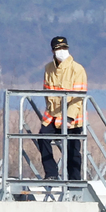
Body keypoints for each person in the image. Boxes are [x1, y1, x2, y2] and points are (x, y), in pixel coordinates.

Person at [37, 35, 88, 182]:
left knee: (73, 151)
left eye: (64, 48)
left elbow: (79, 97)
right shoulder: (49, 68)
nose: (62, 51)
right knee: (43, 138)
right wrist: (51, 112)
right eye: (58, 48)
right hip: (53, 115)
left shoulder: (77, 69)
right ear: (53, 51)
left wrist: (69, 117)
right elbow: (47, 92)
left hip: (73, 119)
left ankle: (74, 182)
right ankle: (51, 173)